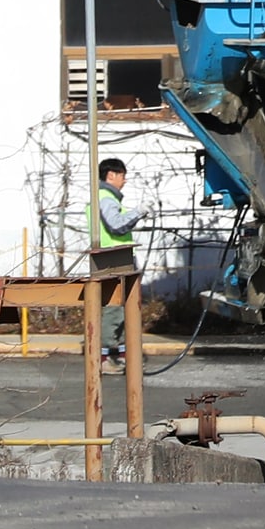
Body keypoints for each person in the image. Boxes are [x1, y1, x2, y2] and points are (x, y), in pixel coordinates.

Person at [91, 157, 150, 375]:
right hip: (113, 260)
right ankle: (105, 359)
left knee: (124, 310)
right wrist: (138, 212)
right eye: (122, 176)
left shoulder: (104, 197)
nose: (124, 181)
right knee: (114, 310)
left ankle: (124, 356)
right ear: (111, 176)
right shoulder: (105, 198)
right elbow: (116, 225)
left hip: (115, 259)